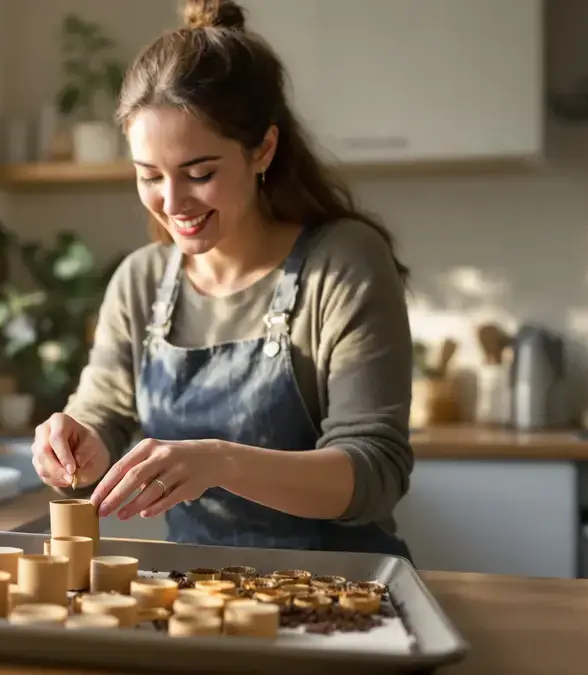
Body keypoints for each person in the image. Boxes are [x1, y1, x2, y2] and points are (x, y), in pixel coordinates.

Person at [30, 0, 415, 559]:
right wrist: (75, 444)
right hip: (197, 593)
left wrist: (221, 462)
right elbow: (102, 413)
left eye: (200, 173)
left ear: (263, 149)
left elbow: (376, 471)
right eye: (149, 176)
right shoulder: (140, 281)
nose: (172, 202)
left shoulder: (343, 263)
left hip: (342, 592)